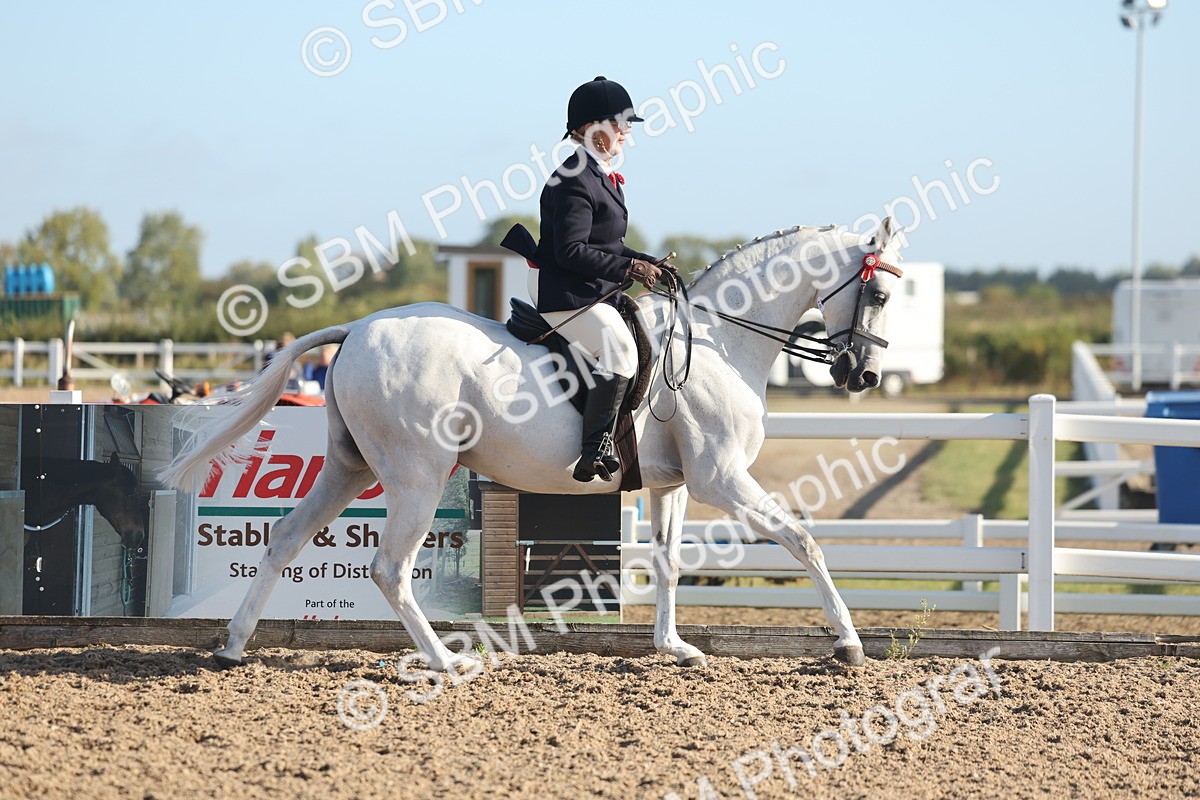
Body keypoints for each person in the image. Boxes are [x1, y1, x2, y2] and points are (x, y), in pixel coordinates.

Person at [520, 76, 671, 482]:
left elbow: (610, 244)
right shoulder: (573, 177)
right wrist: (628, 270)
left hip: (590, 289)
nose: (626, 131)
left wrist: (646, 261)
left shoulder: (600, 175)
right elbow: (571, 250)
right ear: (591, 129)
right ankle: (593, 450)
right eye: (620, 123)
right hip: (565, 293)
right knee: (620, 352)